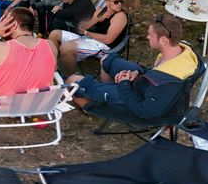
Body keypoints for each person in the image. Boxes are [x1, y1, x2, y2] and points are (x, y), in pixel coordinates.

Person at [67, 14, 199, 119]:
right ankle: (105, 92)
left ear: (163, 40)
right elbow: (154, 74)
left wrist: (124, 84)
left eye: (150, 35)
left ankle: (99, 109)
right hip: (144, 86)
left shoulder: (166, 82)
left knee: (73, 81)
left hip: (137, 102)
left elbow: (145, 111)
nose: (147, 37)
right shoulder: (181, 54)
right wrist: (136, 75)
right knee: (106, 59)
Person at [48, 0, 129, 74]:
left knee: (66, 48)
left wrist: (86, 33)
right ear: (107, 2)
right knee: (54, 34)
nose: (119, 4)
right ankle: (52, 67)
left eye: (121, 1)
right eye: (116, 2)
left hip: (105, 48)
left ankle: (70, 79)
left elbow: (108, 40)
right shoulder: (100, 10)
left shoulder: (120, 16)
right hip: (91, 40)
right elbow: (85, 26)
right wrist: (96, 19)